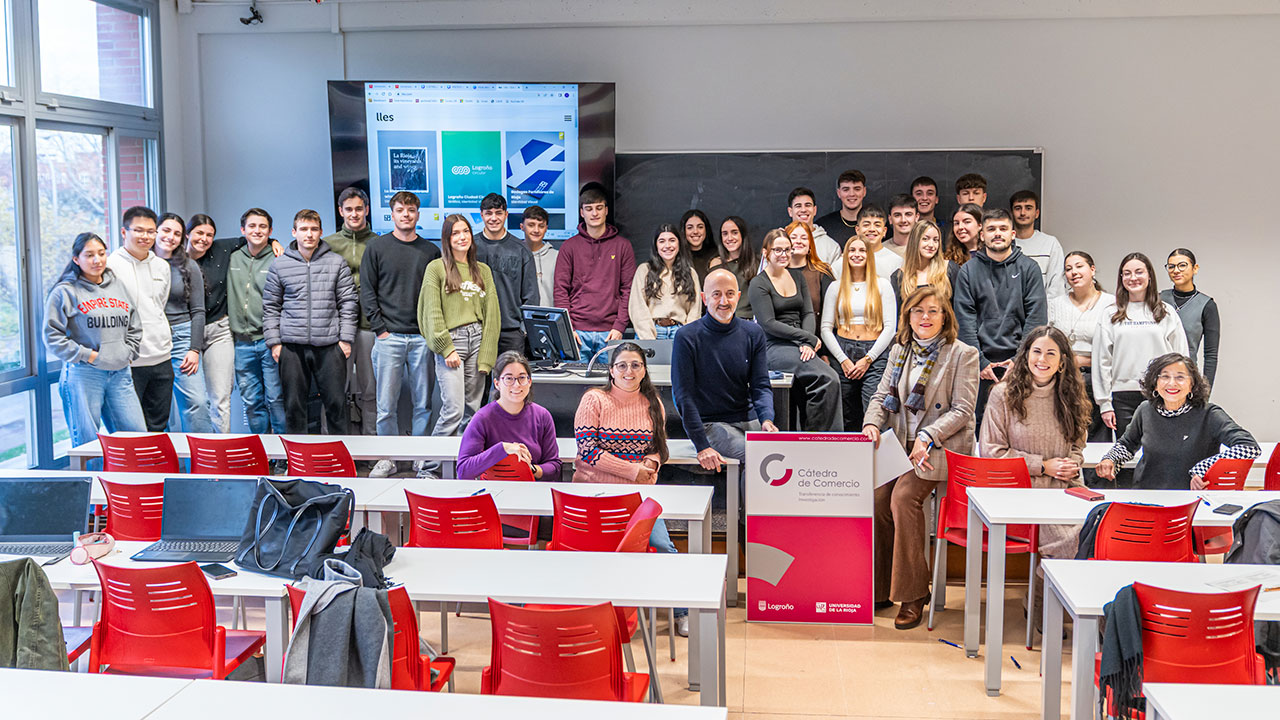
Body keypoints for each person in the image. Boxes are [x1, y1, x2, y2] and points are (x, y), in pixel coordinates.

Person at [863, 286, 979, 629]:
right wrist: (871, 424)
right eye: (917, 311)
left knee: (902, 499)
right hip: (901, 444)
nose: (924, 318)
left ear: (945, 317)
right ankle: (881, 587)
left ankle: (914, 593)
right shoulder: (901, 349)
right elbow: (881, 394)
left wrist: (928, 436)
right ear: (907, 316)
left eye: (932, 311)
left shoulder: (963, 353)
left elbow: (963, 410)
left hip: (941, 447)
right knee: (876, 498)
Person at [573, 342, 688, 635]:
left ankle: (682, 611)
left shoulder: (653, 404)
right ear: (611, 371)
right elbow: (588, 451)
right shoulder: (594, 400)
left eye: (635, 365)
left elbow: (659, 448)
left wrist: (651, 463)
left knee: (662, 546)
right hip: (594, 494)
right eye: (622, 365)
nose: (629, 371)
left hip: (638, 496)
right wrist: (632, 470)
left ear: (644, 370)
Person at [980, 326, 1090, 558]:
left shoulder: (1071, 396)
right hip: (1020, 494)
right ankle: (1046, 595)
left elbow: (1078, 445)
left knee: (1100, 528)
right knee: (1070, 540)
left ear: (1062, 362)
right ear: (1026, 355)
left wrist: (1072, 463)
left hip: (1065, 490)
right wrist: (1042, 466)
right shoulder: (1003, 394)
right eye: (1037, 351)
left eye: (1051, 353)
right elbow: (991, 452)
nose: (1042, 359)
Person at [360, 190, 442, 477]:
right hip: (388, 338)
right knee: (386, 406)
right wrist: (380, 330)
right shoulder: (377, 248)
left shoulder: (430, 252)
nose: (405, 214)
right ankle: (388, 457)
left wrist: (430, 333)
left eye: (410, 210)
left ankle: (421, 456)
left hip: (422, 339)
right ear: (391, 214)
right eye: (400, 210)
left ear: (418, 214)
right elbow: (367, 292)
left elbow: (437, 295)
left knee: (423, 404)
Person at [44, 233, 146, 451]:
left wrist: (129, 351)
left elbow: (134, 323)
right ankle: (95, 485)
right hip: (84, 374)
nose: (97, 260)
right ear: (76, 259)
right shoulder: (65, 292)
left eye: (101, 253)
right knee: (88, 444)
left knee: (137, 440)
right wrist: (89, 356)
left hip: (120, 373)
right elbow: (52, 336)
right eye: (89, 255)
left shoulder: (117, 285)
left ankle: (130, 485)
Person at [1095, 353, 1257, 490]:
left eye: (1180, 377)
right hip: (1147, 495)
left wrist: (1203, 468)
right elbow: (1127, 444)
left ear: (1192, 384)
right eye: (1164, 377)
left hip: (1191, 500)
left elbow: (1249, 447)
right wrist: (1111, 459)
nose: (1171, 383)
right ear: (1155, 384)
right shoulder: (1146, 409)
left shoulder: (1209, 414)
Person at [673, 268, 779, 474]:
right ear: (704, 298)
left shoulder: (753, 333)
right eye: (716, 294)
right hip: (711, 424)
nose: (724, 301)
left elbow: (760, 385)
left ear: (738, 297)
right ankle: (748, 508)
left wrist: (767, 419)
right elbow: (683, 397)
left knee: (780, 452)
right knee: (758, 456)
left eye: (730, 294)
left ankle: (760, 507)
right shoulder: (686, 337)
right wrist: (701, 445)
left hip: (748, 419)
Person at [263, 209, 357, 435]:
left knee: (336, 406)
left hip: (330, 345)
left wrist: (345, 339)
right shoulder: (280, 265)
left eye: (314, 229)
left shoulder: (336, 263)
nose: (309, 234)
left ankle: (340, 462)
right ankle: (299, 464)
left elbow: (348, 302)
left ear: (321, 232)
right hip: (291, 347)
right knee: (294, 407)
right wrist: (275, 343)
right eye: (304, 229)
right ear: (294, 232)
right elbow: (270, 306)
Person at [420, 214, 500, 475]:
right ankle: (429, 468)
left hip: (478, 340)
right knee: (453, 409)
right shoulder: (436, 268)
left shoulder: (483, 270)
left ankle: (465, 467)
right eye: (455, 233)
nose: (462, 237)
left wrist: (487, 356)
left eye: (465, 231)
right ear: (447, 238)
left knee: (472, 411)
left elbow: (492, 315)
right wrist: (446, 347)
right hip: (452, 341)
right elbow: (431, 311)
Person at [187, 215, 281, 433]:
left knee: (225, 397)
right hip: (191, 332)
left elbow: (256, 237)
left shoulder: (222, 249)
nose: (204, 239)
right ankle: (203, 454)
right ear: (188, 234)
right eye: (199, 233)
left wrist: (274, 241)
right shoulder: (177, 260)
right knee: (198, 400)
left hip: (224, 331)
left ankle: (226, 454)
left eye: (209, 234)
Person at [953, 208, 1048, 422]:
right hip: (979, 366)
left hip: (1019, 365)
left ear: (1012, 234)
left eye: (1003, 228)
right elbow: (964, 320)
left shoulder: (1029, 268)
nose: (997, 233)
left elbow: (1036, 319)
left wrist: (1019, 361)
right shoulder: (968, 271)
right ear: (982, 235)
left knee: (1019, 426)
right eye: (991, 229)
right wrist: (979, 362)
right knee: (978, 427)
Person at [749, 230, 842, 431]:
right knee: (828, 379)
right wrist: (807, 337)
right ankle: (817, 440)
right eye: (778, 250)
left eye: (787, 250)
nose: (783, 254)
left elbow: (808, 313)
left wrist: (807, 342)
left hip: (799, 344)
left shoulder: (798, 277)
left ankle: (817, 440)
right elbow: (768, 323)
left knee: (828, 381)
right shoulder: (758, 283)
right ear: (766, 252)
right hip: (773, 345)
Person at [1092, 252, 1188, 441]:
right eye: (1127, 273)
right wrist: (1104, 403)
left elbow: (1182, 358)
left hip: (1162, 394)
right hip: (1122, 397)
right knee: (1126, 457)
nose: (1133, 277)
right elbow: (1101, 361)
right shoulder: (1110, 314)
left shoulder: (1166, 312)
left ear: (1149, 276)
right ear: (1121, 278)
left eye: (1139, 272)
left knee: (1161, 454)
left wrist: (1182, 396)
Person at [107, 206, 173, 432]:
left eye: (151, 231)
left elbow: (158, 305)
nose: (145, 236)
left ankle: (156, 468)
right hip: (129, 361)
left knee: (158, 424)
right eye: (139, 230)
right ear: (124, 232)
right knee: (130, 430)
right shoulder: (109, 266)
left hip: (162, 356)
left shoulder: (162, 266)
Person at [821, 237, 897, 430]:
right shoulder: (835, 287)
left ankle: (874, 458)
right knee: (846, 413)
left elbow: (890, 327)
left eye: (862, 250)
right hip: (843, 351)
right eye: (852, 250)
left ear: (869, 255)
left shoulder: (883, 285)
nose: (857, 254)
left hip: (874, 353)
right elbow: (826, 328)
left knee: (873, 409)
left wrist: (868, 359)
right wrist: (843, 359)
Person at [322, 186, 379, 434]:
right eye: (348, 209)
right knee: (334, 391)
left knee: (371, 392)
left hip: (370, 327)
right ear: (340, 211)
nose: (354, 214)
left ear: (366, 209)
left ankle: (374, 452)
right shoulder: (326, 244)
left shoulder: (379, 243)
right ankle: (331, 451)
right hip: (335, 330)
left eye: (358, 209)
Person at [553, 187, 635, 358]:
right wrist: (568, 328)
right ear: (582, 212)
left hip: (610, 333)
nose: (594, 213)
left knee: (611, 384)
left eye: (599, 208)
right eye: (589, 209)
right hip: (577, 333)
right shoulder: (569, 247)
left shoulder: (622, 246)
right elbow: (561, 290)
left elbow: (628, 290)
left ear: (606, 210)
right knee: (573, 384)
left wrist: (620, 326)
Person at [456, 351, 561, 483]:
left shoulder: (542, 416)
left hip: (532, 493)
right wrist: (503, 449)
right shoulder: (482, 418)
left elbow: (555, 468)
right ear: (497, 383)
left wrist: (531, 469)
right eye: (509, 378)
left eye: (522, 378)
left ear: (529, 382)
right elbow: (464, 471)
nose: (516, 385)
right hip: (493, 494)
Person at [154, 213, 214, 434]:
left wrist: (194, 349)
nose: (170, 237)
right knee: (158, 411)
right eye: (166, 230)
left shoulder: (188, 266)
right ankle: (163, 465)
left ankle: (204, 465)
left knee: (197, 403)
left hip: (181, 338)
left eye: (177, 233)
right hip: (149, 339)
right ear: (156, 231)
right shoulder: (143, 264)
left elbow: (198, 311)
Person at [228, 208, 286, 435]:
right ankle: (263, 453)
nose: (257, 231)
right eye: (251, 226)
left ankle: (284, 455)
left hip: (268, 341)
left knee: (275, 399)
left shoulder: (279, 258)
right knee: (252, 401)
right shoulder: (232, 257)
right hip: (241, 343)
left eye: (263, 227)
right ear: (243, 230)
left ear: (270, 231)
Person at [1048, 251, 1115, 444]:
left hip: (1098, 380)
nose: (1073, 272)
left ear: (1092, 270)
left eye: (1079, 266)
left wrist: (1081, 360)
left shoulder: (1111, 304)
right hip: (1063, 379)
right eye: (1068, 269)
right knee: (1064, 437)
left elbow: (1116, 349)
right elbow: (1047, 343)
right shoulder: (1055, 304)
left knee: (1098, 441)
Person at [477, 193, 539, 356]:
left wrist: (523, 329)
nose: (493, 218)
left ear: (506, 214)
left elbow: (531, 295)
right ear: (481, 215)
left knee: (511, 380)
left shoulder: (521, 249)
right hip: (477, 330)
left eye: (498, 213)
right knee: (479, 382)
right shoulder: (470, 247)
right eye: (489, 213)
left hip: (511, 333)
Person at [629, 224, 701, 339]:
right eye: (662, 241)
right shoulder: (644, 270)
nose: (667, 245)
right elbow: (637, 307)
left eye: (672, 240)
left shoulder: (690, 273)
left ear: (679, 244)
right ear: (656, 246)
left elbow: (695, 310)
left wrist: (688, 335)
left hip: (680, 332)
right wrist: (649, 338)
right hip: (652, 331)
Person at [1161, 248, 1220, 388]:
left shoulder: (1206, 305)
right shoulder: (1158, 300)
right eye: (1171, 266)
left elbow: (1211, 355)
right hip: (1159, 377)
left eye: (1182, 265)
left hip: (1186, 377)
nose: (1176, 270)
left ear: (1195, 268)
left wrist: (1205, 392)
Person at [889, 220, 959, 309]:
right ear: (915, 241)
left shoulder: (949, 269)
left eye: (935, 240)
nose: (931, 245)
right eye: (925, 239)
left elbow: (960, 309)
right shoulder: (899, 276)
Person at [1009, 190, 1066, 301]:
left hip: (1042, 313)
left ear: (1037, 213)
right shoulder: (1003, 244)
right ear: (1011, 213)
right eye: (1018, 208)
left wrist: (1044, 313)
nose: (1023, 213)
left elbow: (1056, 286)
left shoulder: (1050, 243)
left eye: (1028, 208)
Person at [708, 216, 758, 319]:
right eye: (725, 234)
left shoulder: (756, 262)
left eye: (734, 232)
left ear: (742, 235)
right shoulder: (715, 263)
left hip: (749, 320)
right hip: (723, 321)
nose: (729, 238)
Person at [785, 221, 835, 318]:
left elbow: (831, 310)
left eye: (804, 238)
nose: (798, 241)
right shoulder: (776, 272)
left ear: (810, 245)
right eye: (793, 237)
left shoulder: (822, 272)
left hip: (815, 331)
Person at [786, 187, 841, 269]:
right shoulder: (778, 241)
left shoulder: (831, 246)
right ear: (790, 211)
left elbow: (836, 280)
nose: (803, 210)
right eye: (798, 206)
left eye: (808, 205)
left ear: (815, 210)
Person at [815, 170, 868, 246]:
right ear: (839, 193)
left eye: (857, 189)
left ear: (864, 191)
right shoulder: (823, 226)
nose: (851, 194)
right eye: (846, 189)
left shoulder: (877, 226)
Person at [853, 204, 903, 279]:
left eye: (877, 225)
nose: (872, 229)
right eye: (866, 225)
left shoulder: (896, 261)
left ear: (884, 231)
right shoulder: (847, 260)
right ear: (857, 230)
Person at [521, 206, 557, 306]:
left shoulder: (557, 257)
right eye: (531, 225)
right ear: (522, 227)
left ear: (546, 228)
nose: (536, 230)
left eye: (541, 226)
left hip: (550, 318)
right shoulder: (515, 255)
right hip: (522, 319)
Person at [680, 209, 719, 281]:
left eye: (700, 227)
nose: (695, 231)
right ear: (684, 231)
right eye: (690, 227)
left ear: (706, 230)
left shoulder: (717, 257)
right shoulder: (678, 257)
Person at [885, 194, 919, 259]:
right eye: (897, 215)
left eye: (908, 214)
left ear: (916, 217)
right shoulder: (880, 251)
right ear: (890, 219)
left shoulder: (926, 249)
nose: (903, 220)